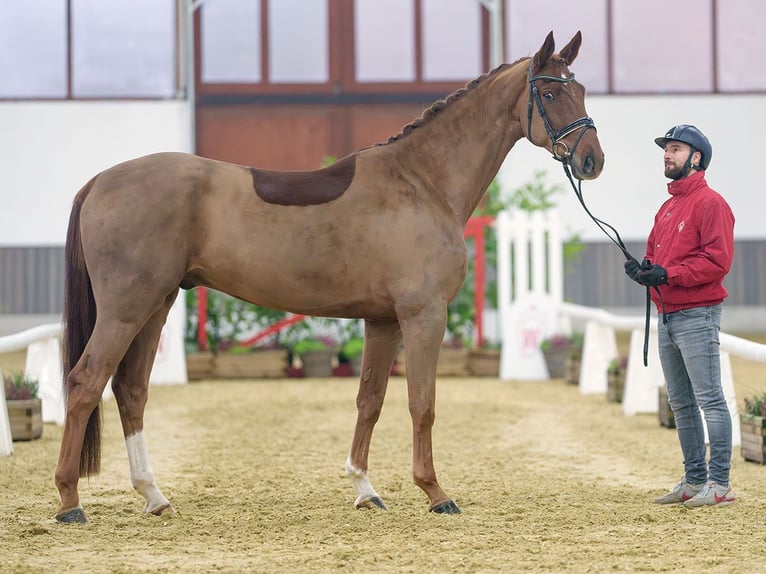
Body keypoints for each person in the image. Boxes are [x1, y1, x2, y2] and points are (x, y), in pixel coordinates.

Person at [624, 124, 736, 507]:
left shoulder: (711, 204)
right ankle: (693, 480)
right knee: (682, 404)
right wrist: (644, 270)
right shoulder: (668, 206)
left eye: (674, 149)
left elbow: (717, 262)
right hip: (668, 316)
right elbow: (657, 255)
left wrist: (668, 275)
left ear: (696, 158)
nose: (666, 155)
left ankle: (720, 484)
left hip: (698, 315)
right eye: (666, 149)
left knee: (709, 400)